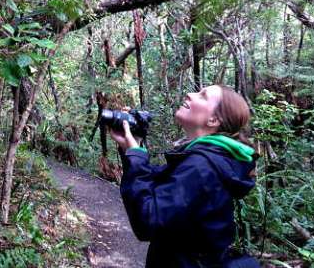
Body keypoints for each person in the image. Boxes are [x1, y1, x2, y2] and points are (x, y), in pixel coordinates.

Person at [110, 85, 260, 268]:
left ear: (213, 120)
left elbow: (148, 219)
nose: (190, 94)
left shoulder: (202, 166)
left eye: (203, 96)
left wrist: (135, 156)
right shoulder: (209, 159)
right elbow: (161, 187)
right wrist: (133, 149)